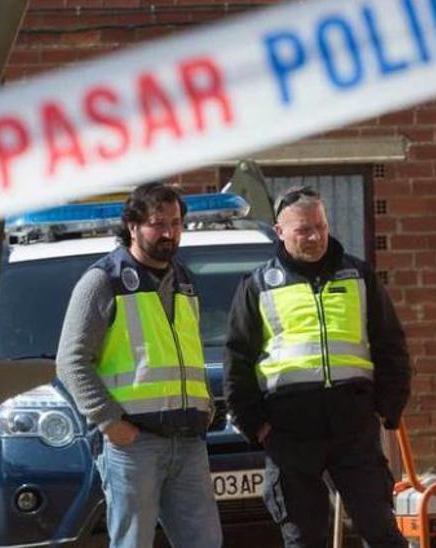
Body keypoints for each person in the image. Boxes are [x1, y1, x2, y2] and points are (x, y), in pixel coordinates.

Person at [224, 186, 413, 548]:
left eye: (320, 227)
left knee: (381, 530)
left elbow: (390, 343)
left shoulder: (358, 275)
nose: (314, 237)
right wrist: (256, 426)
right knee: (304, 537)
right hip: (289, 429)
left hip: (353, 424)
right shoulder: (257, 286)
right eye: (303, 230)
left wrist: (388, 408)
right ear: (280, 232)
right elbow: (238, 363)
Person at [56, 182, 221, 548]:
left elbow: (185, 353)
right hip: (134, 443)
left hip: (188, 439)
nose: (169, 233)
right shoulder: (103, 281)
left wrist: (205, 403)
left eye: (176, 223)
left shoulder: (184, 280)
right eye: (157, 223)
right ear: (132, 225)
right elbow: (69, 361)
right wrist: (109, 422)